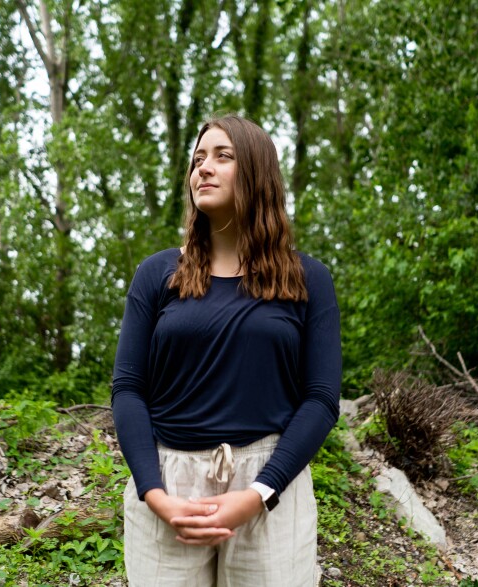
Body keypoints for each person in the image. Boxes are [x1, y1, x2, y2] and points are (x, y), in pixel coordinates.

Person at [112, 114, 342, 586]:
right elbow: (128, 390)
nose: (204, 169)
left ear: (257, 172)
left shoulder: (308, 280)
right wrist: (155, 495)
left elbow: (320, 399)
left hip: (269, 486)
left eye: (222, 156)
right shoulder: (157, 275)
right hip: (168, 484)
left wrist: (258, 492)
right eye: (198, 160)